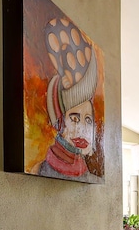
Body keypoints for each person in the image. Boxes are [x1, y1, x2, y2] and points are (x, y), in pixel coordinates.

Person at [33, 17, 101, 183]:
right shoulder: (39, 170)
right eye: (74, 118)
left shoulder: (91, 179)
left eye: (88, 120)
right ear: (59, 120)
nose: (82, 129)